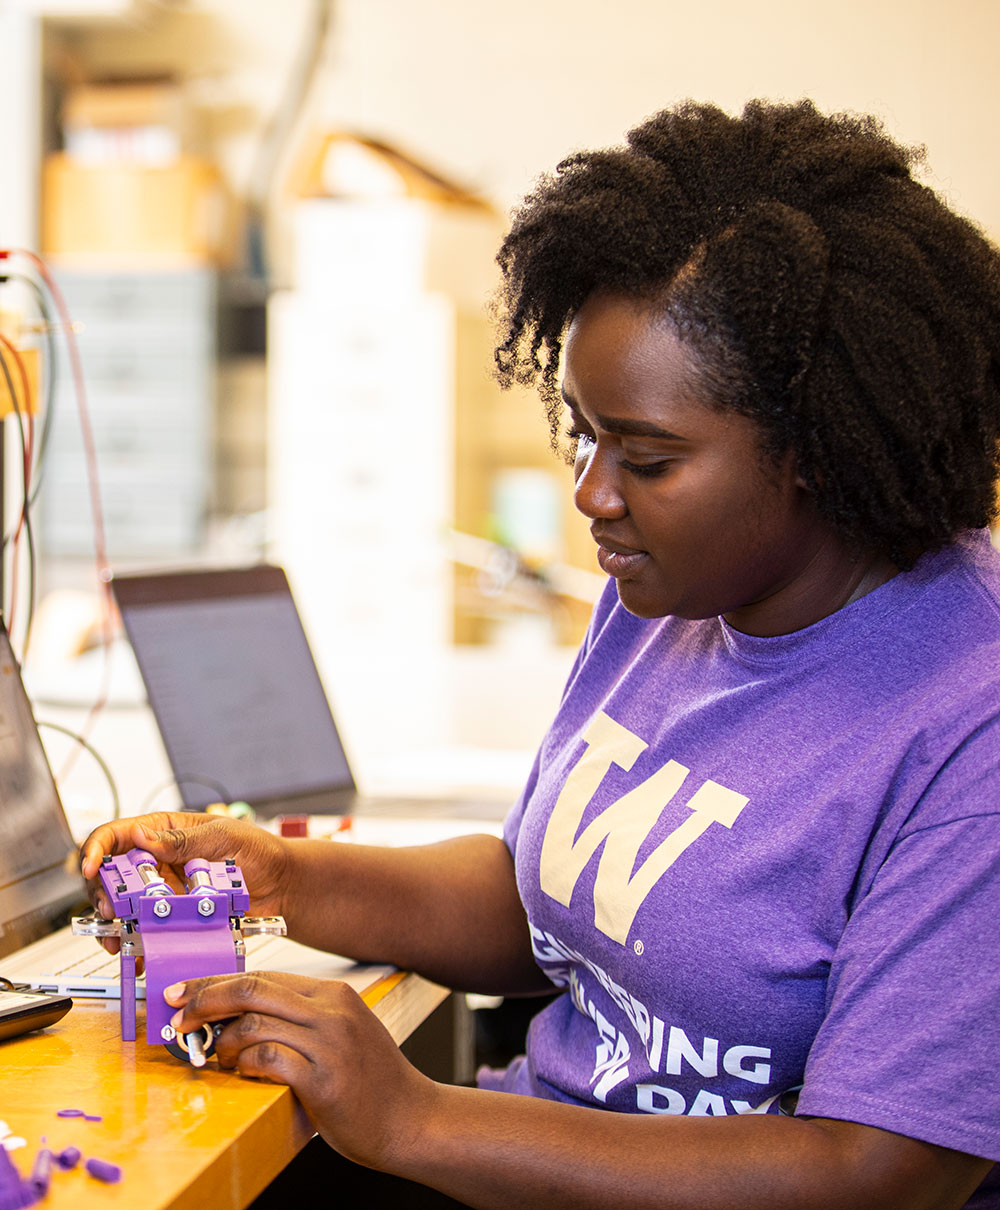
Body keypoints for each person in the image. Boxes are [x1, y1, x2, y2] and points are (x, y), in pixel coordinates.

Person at [81, 98, 1000, 1209]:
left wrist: (417, 1115)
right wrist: (286, 879)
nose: (591, 494)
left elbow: (879, 1172)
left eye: (648, 457)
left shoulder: (966, 718)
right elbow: (554, 909)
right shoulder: (671, 589)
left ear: (819, 448)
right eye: (581, 430)